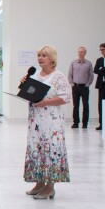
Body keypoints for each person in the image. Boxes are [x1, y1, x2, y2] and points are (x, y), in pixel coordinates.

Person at [22, 45, 71, 200]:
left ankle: (50, 187)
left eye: (44, 55)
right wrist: (24, 84)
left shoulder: (58, 76)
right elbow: (30, 93)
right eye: (39, 55)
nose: (40, 58)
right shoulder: (36, 75)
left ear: (52, 59)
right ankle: (39, 184)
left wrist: (46, 102)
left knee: (50, 151)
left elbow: (66, 97)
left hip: (51, 122)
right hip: (35, 121)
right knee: (37, 150)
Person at [67, 46, 93, 129]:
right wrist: (72, 84)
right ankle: (76, 122)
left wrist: (88, 84)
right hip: (75, 87)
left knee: (85, 105)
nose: (80, 53)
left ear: (85, 53)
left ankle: (85, 123)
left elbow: (91, 75)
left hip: (84, 87)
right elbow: (70, 74)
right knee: (76, 106)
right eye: (79, 52)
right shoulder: (73, 63)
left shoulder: (88, 63)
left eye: (82, 52)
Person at [93, 43, 105, 130]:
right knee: (101, 104)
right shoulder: (99, 60)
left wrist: (102, 69)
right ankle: (101, 124)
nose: (102, 51)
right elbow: (95, 70)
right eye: (100, 50)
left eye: (103, 49)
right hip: (101, 84)